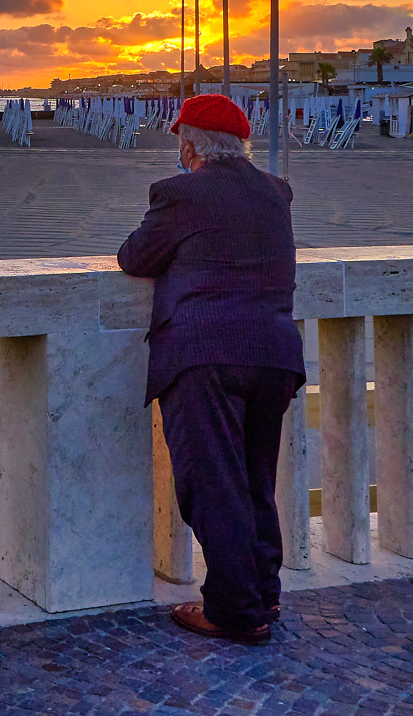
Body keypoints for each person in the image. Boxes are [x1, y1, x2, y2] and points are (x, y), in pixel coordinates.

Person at [117, 94, 303, 645]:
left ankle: (235, 611)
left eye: (181, 141)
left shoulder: (180, 194)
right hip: (273, 353)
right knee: (253, 481)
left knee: (212, 486)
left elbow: (134, 258)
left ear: (192, 146)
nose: (179, 151)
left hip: (206, 357)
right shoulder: (276, 192)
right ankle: (262, 593)